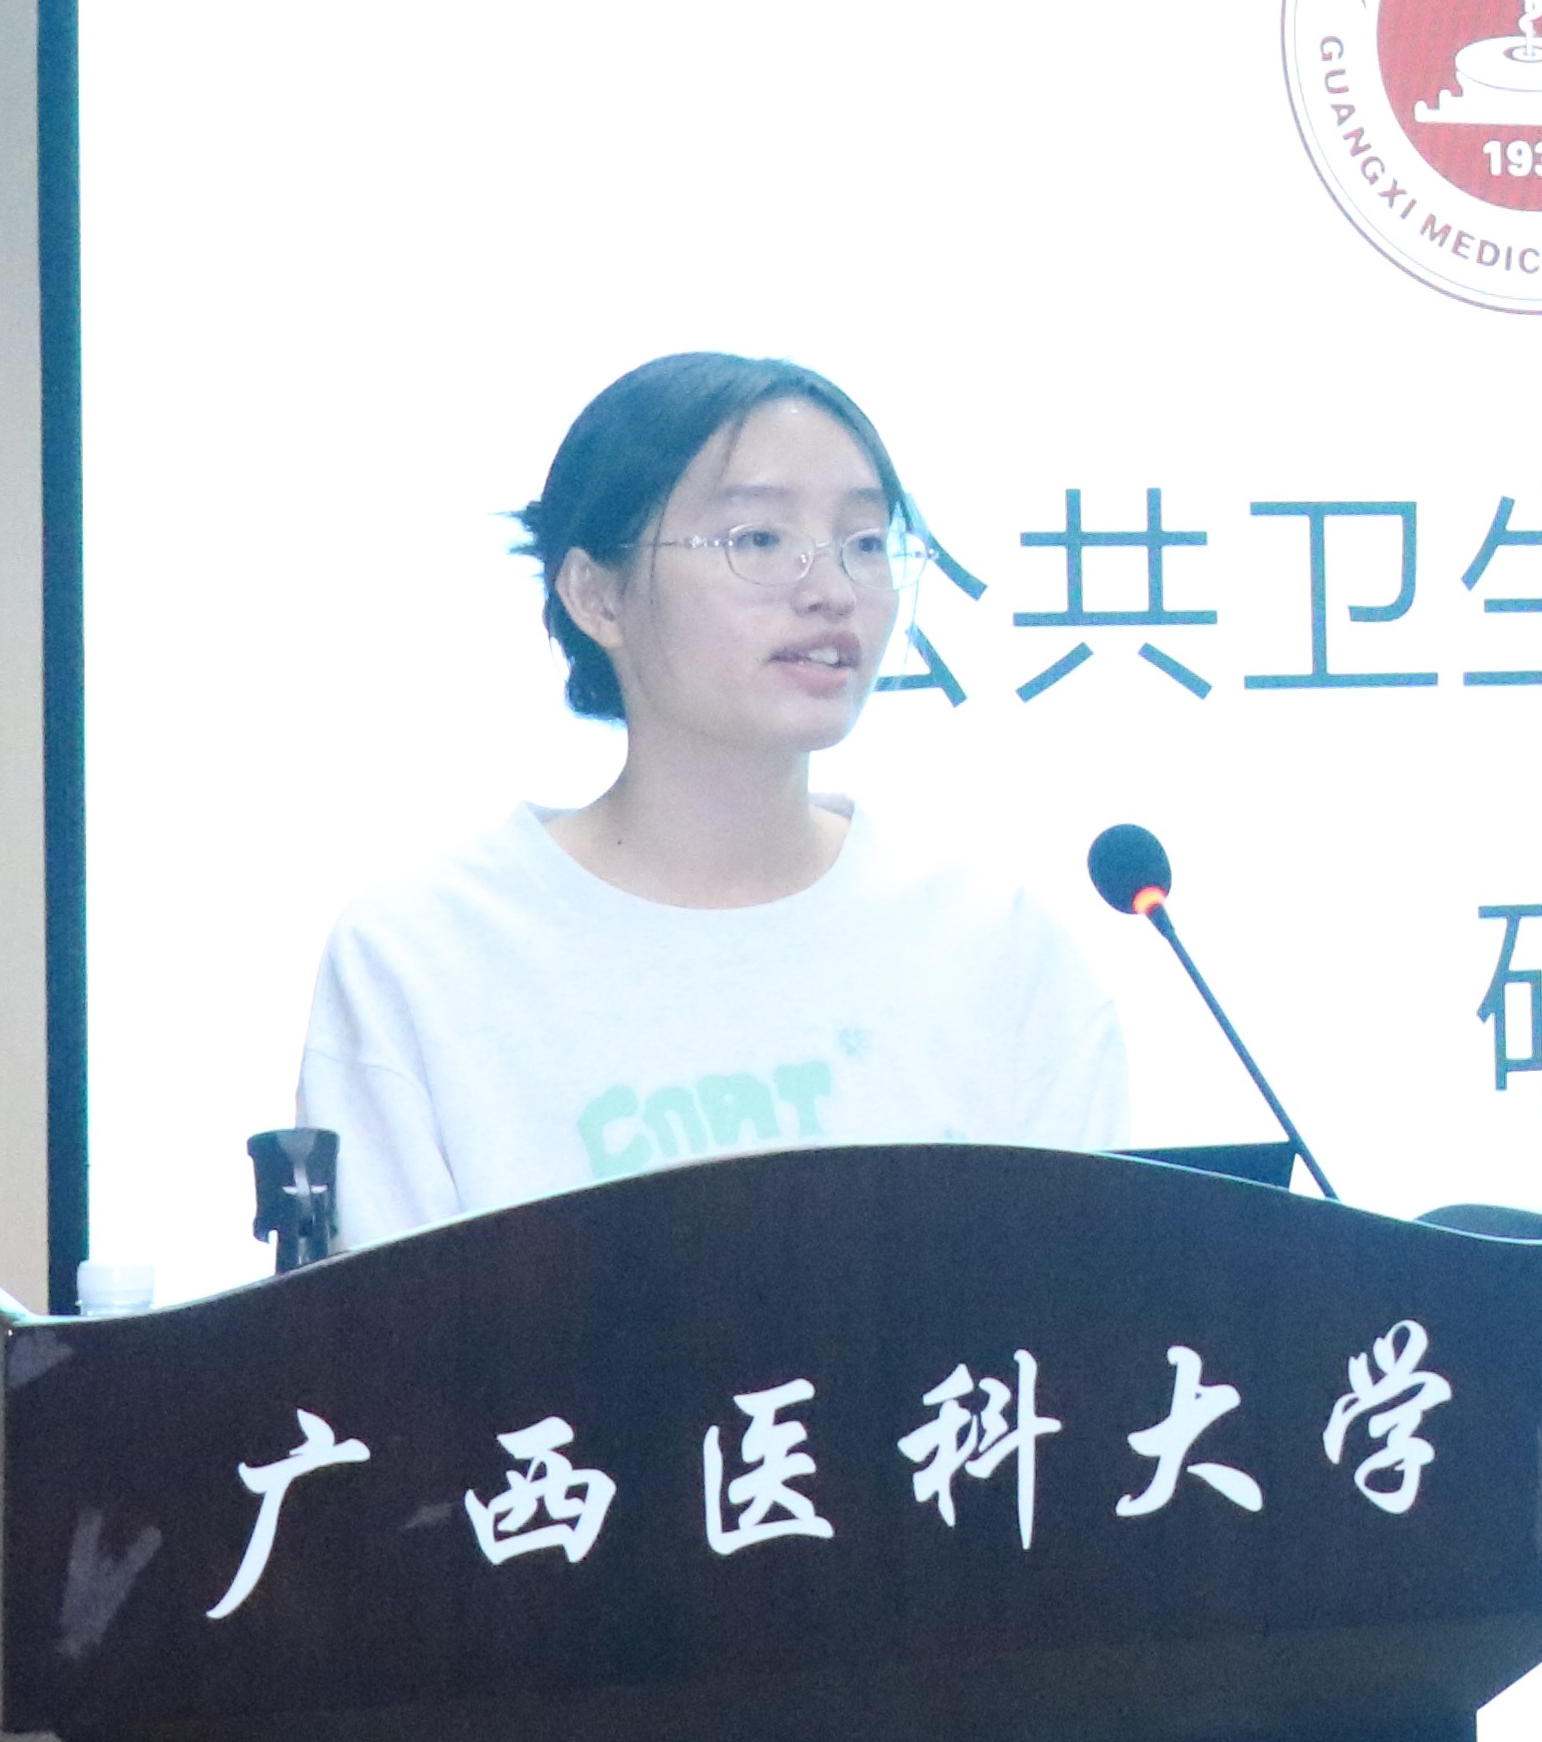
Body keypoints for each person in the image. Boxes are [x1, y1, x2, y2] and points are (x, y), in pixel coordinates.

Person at [297, 351, 1125, 1243]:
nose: (833, 592)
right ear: (597, 595)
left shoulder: (993, 944)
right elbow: (380, 1325)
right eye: (759, 540)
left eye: (865, 544)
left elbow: (1084, 1304)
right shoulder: (426, 954)